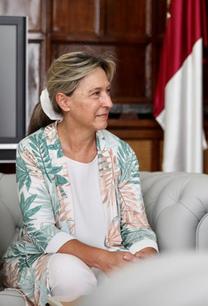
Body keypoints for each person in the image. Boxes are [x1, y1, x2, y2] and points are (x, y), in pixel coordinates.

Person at [1, 51, 158, 306]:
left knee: (135, 279)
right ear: (64, 101)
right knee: (71, 274)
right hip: (44, 259)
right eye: (96, 93)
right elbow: (41, 230)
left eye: (107, 91)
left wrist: (145, 256)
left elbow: (136, 225)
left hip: (108, 259)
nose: (108, 102)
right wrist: (102, 259)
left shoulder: (120, 151)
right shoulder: (33, 149)